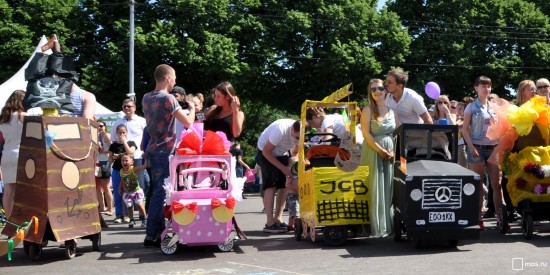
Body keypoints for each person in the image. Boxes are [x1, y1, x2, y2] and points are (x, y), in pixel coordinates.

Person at [142, 64, 195, 247]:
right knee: (159, 192)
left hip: (152, 148)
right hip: (165, 150)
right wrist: (193, 108)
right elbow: (188, 123)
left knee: (155, 190)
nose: (174, 81)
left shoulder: (146, 97)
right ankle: (151, 235)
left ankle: (157, 231)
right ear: (167, 79)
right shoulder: (169, 98)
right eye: (173, 78)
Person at [462, 76, 503, 229]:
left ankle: (501, 216)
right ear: (476, 88)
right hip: (477, 148)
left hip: (493, 148)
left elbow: (502, 128)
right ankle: (478, 217)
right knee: (478, 184)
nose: (486, 89)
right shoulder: (471, 107)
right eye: (483, 86)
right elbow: (465, 129)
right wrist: (471, 147)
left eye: (488, 86)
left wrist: (498, 148)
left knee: (496, 184)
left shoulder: (495, 107)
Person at [360, 79, 395, 237]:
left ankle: (387, 225)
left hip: (390, 152)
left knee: (387, 188)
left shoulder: (392, 110)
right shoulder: (368, 109)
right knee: (375, 187)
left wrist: (393, 150)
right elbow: (366, 134)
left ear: (385, 90)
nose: (377, 91)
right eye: (373, 89)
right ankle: (375, 226)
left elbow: (396, 133)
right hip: (374, 151)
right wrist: (380, 150)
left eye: (380, 88)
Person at [257, 119, 300, 233]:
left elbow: (296, 152)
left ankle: (278, 219)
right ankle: (269, 223)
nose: (298, 140)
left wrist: (292, 164)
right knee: (271, 185)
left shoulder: (301, 132)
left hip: (281, 153)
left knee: (284, 185)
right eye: (297, 138)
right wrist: (283, 168)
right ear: (292, 130)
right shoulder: (280, 130)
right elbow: (266, 152)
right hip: (265, 153)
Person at [110, 99, 148, 200]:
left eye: (129, 106)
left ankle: (141, 207)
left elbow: (147, 137)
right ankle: (128, 208)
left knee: (140, 182)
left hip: (138, 155)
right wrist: (115, 155)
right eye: (124, 106)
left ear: (134, 108)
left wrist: (146, 151)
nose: (126, 108)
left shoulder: (142, 121)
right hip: (123, 158)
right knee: (125, 182)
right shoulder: (118, 122)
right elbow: (113, 140)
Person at [0, 90, 26, 219]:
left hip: (6, 155)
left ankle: (9, 221)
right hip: (20, 155)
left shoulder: (3, 118)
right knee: (23, 190)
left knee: (8, 191)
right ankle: (20, 218)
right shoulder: (22, 115)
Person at [108, 124, 137, 224]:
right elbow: (110, 160)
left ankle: (128, 215)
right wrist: (114, 158)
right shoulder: (113, 145)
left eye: (124, 132)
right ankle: (119, 215)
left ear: (127, 133)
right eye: (120, 132)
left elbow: (131, 153)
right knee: (117, 193)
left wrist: (124, 142)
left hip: (128, 172)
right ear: (116, 133)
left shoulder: (131, 143)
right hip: (116, 170)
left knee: (128, 193)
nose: (122, 134)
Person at [118, 154, 148, 228]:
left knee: (139, 205)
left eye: (126, 160)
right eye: (122, 160)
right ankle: (131, 219)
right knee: (129, 206)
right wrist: (119, 188)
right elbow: (122, 180)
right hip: (127, 192)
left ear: (131, 162)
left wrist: (146, 158)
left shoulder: (134, 169)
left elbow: (144, 166)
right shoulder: (121, 171)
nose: (124, 162)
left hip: (136, 191)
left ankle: (144, 218)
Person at [96, 120, 113, 215]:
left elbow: (112, 148)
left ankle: (110, 208)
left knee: (106, 187)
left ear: (105, 127)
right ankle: (102, 207)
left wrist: (103, 151)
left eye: (101, 126)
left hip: (105, 162)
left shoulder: (106, 135)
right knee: (98, 186)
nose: (99, 128)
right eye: (97, 126)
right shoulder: (98, 136)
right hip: (98, 162)